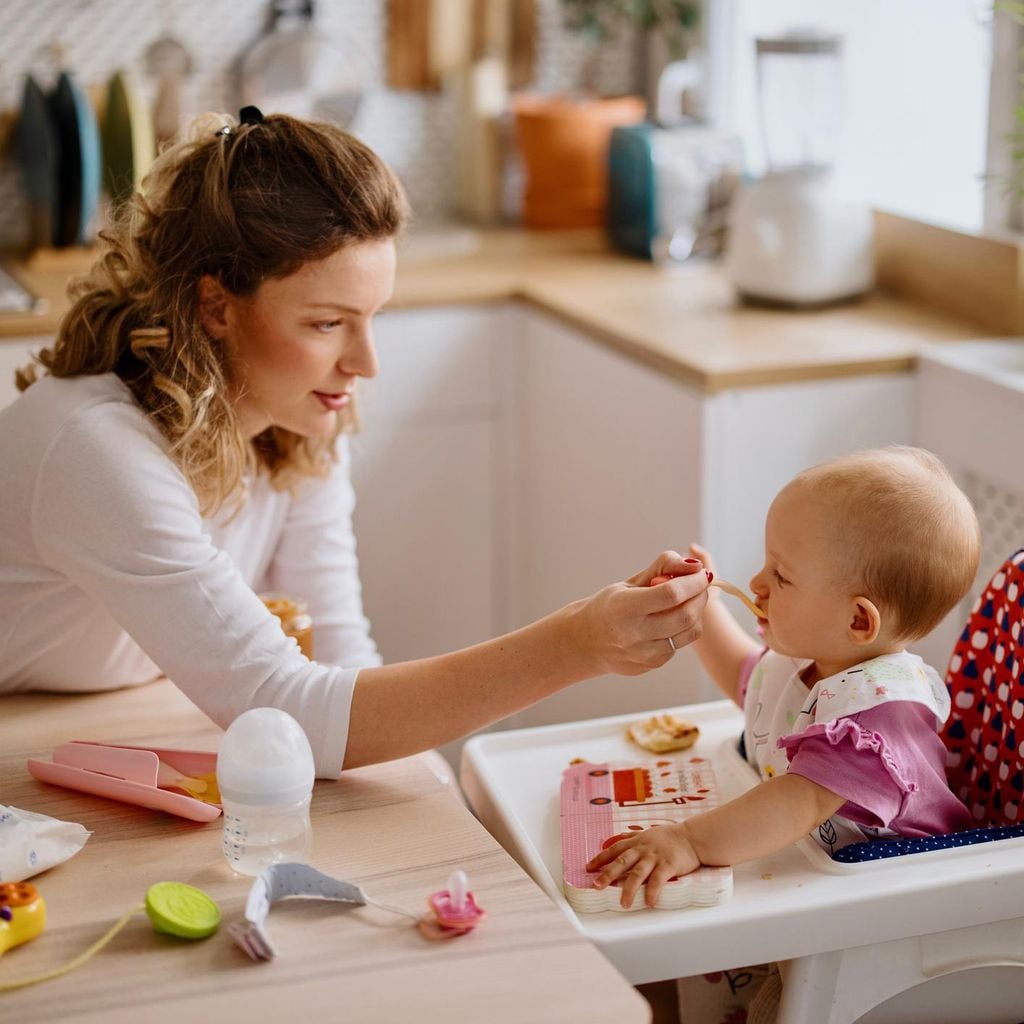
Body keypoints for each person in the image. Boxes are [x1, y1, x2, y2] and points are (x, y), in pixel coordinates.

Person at [0, 109, 710, 776]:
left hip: (104, 715)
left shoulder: (298, 422)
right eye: (326, 323)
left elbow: (340, 657)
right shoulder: (99, 453)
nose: (366, 363)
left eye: (371, 317)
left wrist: (431, 796)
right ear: (214, 305)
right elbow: (287, 711)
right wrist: (578, 643)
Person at [587, 445, 979, 907]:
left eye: (782, 576)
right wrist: (699, 608)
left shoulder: (876, 718)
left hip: (904, 902)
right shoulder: (817, 661)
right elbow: (747, 679)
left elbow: (797, 801)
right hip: (813, 881)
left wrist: (689, 841)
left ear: (857, 621)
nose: (756, 583)